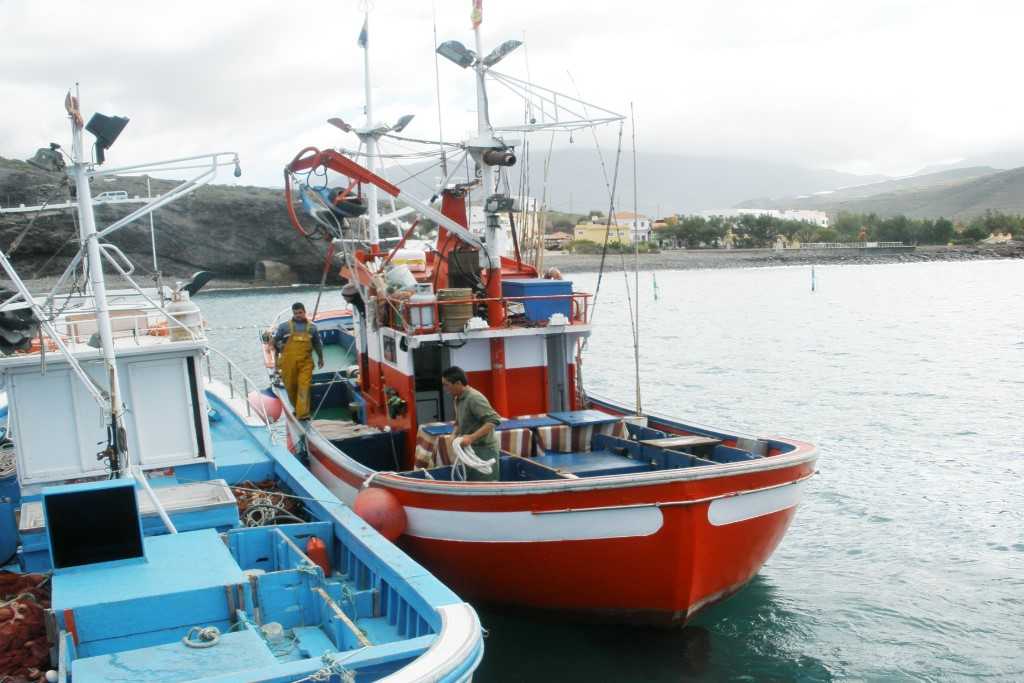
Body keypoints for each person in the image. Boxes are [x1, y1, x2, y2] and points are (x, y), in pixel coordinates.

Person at [442, 366, 501, 481]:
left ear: (458, 383)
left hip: (484, 451)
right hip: (470, 451)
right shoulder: (457, 399)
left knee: (485, 490)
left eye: (446, 385)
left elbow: (494, 420)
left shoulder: (474, 398)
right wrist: (454, 434)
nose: (445, 389)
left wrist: (471, 437)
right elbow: (458, 422)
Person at [274, 303, 324, 420]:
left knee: (304, 386)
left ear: (304, 312)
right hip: (288, 363)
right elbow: (276, 341)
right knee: (291, 388)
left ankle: (303, 414)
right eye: (295, 313)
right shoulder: (283, 327)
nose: (298, 315)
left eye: (300, 313)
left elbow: (317, 344)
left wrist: (320, 358)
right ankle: (297, 409)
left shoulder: (312, 328)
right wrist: (279, 347)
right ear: (293, 313)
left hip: (305, 363)